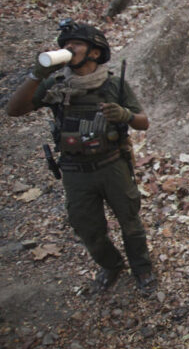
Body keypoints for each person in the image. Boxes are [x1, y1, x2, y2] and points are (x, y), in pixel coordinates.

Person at [6, 20, 155, 293]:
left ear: (95, 52)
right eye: (65, 45)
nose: (68, 48)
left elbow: (142, 122)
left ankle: (142, 268)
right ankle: (111, 264)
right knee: (88, 228)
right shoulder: (57, 84)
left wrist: (125, 116)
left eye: (76, 44)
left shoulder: (113, 85)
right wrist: (37, 75)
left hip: (112, 165)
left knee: (130, 221)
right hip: (75, 170)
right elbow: (15, 110)